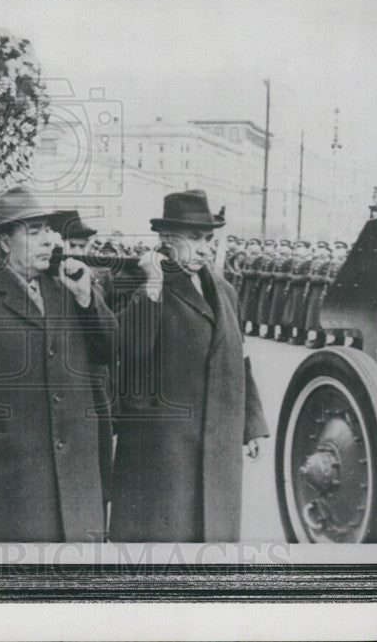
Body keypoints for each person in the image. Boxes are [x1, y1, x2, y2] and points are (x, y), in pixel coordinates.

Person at [0, 185, 115, 542]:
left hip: (76, 480)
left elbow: (109, 351)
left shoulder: (70, 290)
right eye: (34, 231)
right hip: (11, 480)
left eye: (48, 230)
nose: (49, 241)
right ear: (4, 242)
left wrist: (88, 300)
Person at [109, 190, 269, 542]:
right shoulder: (136, 280)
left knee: (212, 540)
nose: (204, 248)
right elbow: (127, 348)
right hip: (162, 450)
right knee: (162, 548)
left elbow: (238, 357)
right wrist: (152, 287)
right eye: (194, 238)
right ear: (166, 240)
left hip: (218, 445)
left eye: (208, 239)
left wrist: (252, 424)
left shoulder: (225, 290)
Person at [282, 240, 313, 345]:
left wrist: (293, 278)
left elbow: (307, 276)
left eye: (300, 246)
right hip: (294, 289)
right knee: (293, 313)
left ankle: (302, 336)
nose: (298, 248)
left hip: (302, 289)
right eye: (297, 246)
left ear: (306, 248)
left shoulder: (308, 261)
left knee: (300, 313)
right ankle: (295, 334)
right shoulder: (296, 260)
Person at [304, 242, 333, 349]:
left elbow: (325, 277)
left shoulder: (328, 263)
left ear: (326, 250)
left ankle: (321, 340)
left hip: (322, 290)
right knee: (314, 315)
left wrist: (316, 278)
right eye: (319, 248)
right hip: (315, 290)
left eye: (323, 248)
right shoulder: (316, 261)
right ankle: (316, 338)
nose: (321, 250)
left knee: (319, 315)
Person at [269, 240, 294, 341]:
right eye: (281, 245)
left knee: (284, 311)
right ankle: (280, 333)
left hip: (285, 287)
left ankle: (286, 334)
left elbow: (289, 274)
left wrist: (278, 276)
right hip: (277, 287)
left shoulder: (290, 260)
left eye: (284, 246)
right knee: (277, 311)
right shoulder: (278, 259)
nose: (282, 248)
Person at [255, 239, 277, 338]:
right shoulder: (262, 258)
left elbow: (273, 273)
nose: (268, 248)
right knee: (261, 308)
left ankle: (270, 332)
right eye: (266, 246)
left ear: (274, 248)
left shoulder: (275, 258)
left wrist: (263, 274)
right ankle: (257, 330)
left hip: (270, 285)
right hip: (262, 284)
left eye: (270, 246)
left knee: (268, 308)